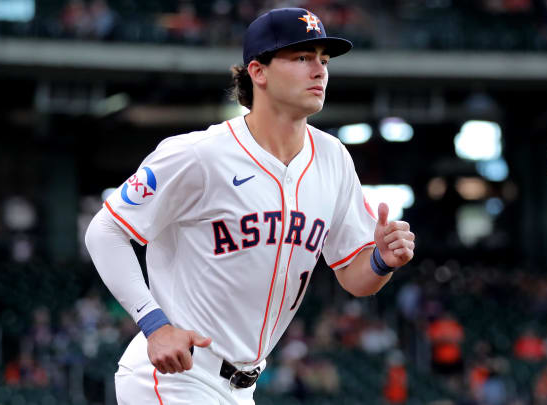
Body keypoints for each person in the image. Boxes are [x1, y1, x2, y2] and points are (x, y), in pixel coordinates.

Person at [84, 7, 415, 405]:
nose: (319, 70)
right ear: (258, 72)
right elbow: (104, 230)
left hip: (243, 387)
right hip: (176, 376)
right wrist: (154, 324)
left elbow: (354, 278)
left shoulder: (333, 159)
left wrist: (381, 259)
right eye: (302, 57)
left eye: (323, 60)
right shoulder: (200, 154)